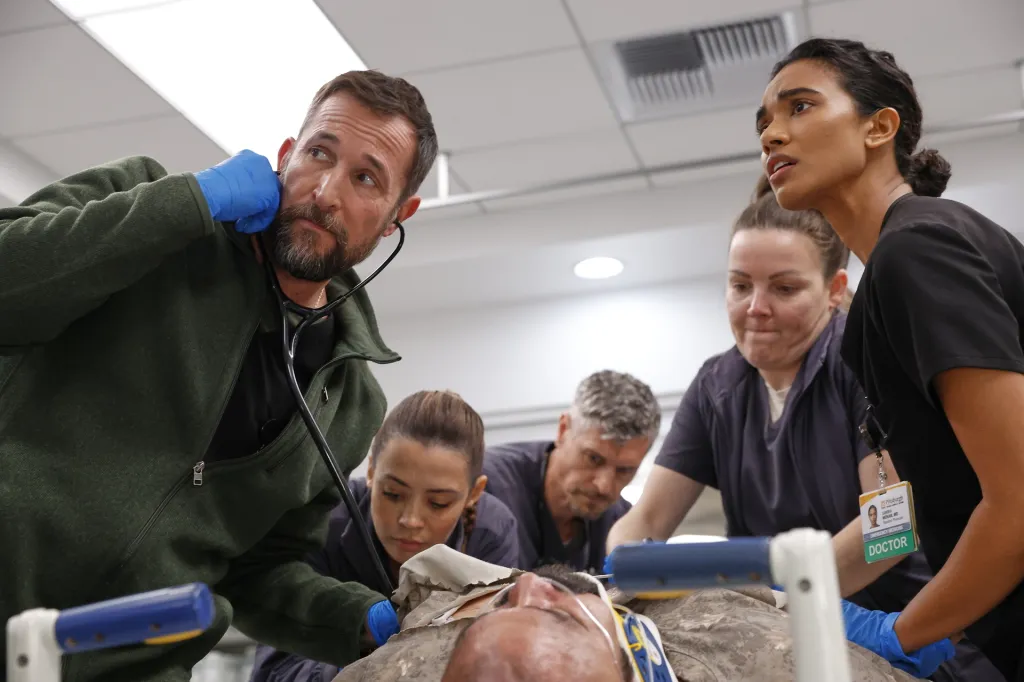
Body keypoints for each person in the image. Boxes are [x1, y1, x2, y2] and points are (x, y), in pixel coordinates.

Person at [0, 70, 437, 682]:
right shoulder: (150, 206)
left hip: (129, 668)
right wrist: (186, 203)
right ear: (286, 157)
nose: (326, 192)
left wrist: (358, 618)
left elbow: (258, 572)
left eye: (366, 178)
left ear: (397, 215)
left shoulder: (350, 403)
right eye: (319, 154)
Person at [606, 181, 1000, 681]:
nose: (756, 307)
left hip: (917, 636)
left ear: (835, 290)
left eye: (785, 288)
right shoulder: (715, 387)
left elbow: (892, 526)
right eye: (740, 285)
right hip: (788, 637)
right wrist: (618, 573)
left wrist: (790, 591)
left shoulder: (864, 360)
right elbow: (645, 519)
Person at [756, 36, 1024, 680]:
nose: (770, 134)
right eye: (763, 122)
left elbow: (1019, 497)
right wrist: (787, 597)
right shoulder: (887, 285)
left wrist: (902, 631)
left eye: (799, 107)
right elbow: (912, 508)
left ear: (879, 127)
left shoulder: (917, 250)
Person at [326, 543, 921, 681]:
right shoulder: (762, 657)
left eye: (501, 607)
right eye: (558, 615)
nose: (531, 586)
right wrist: (907, 630)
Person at [249, 390, 520, 682]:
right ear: (371, 471)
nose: (410, 520)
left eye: (438, 503)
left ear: (474, 493)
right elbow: (273, 671)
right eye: (392, 494)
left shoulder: (491, 534)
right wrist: (356, 668)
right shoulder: (321, 523)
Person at [483, 370, 660, 573]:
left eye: (625, 470)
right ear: (563, 430)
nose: (604, 486)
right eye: (593, 458)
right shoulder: (486, 486)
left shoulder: (622, 524)